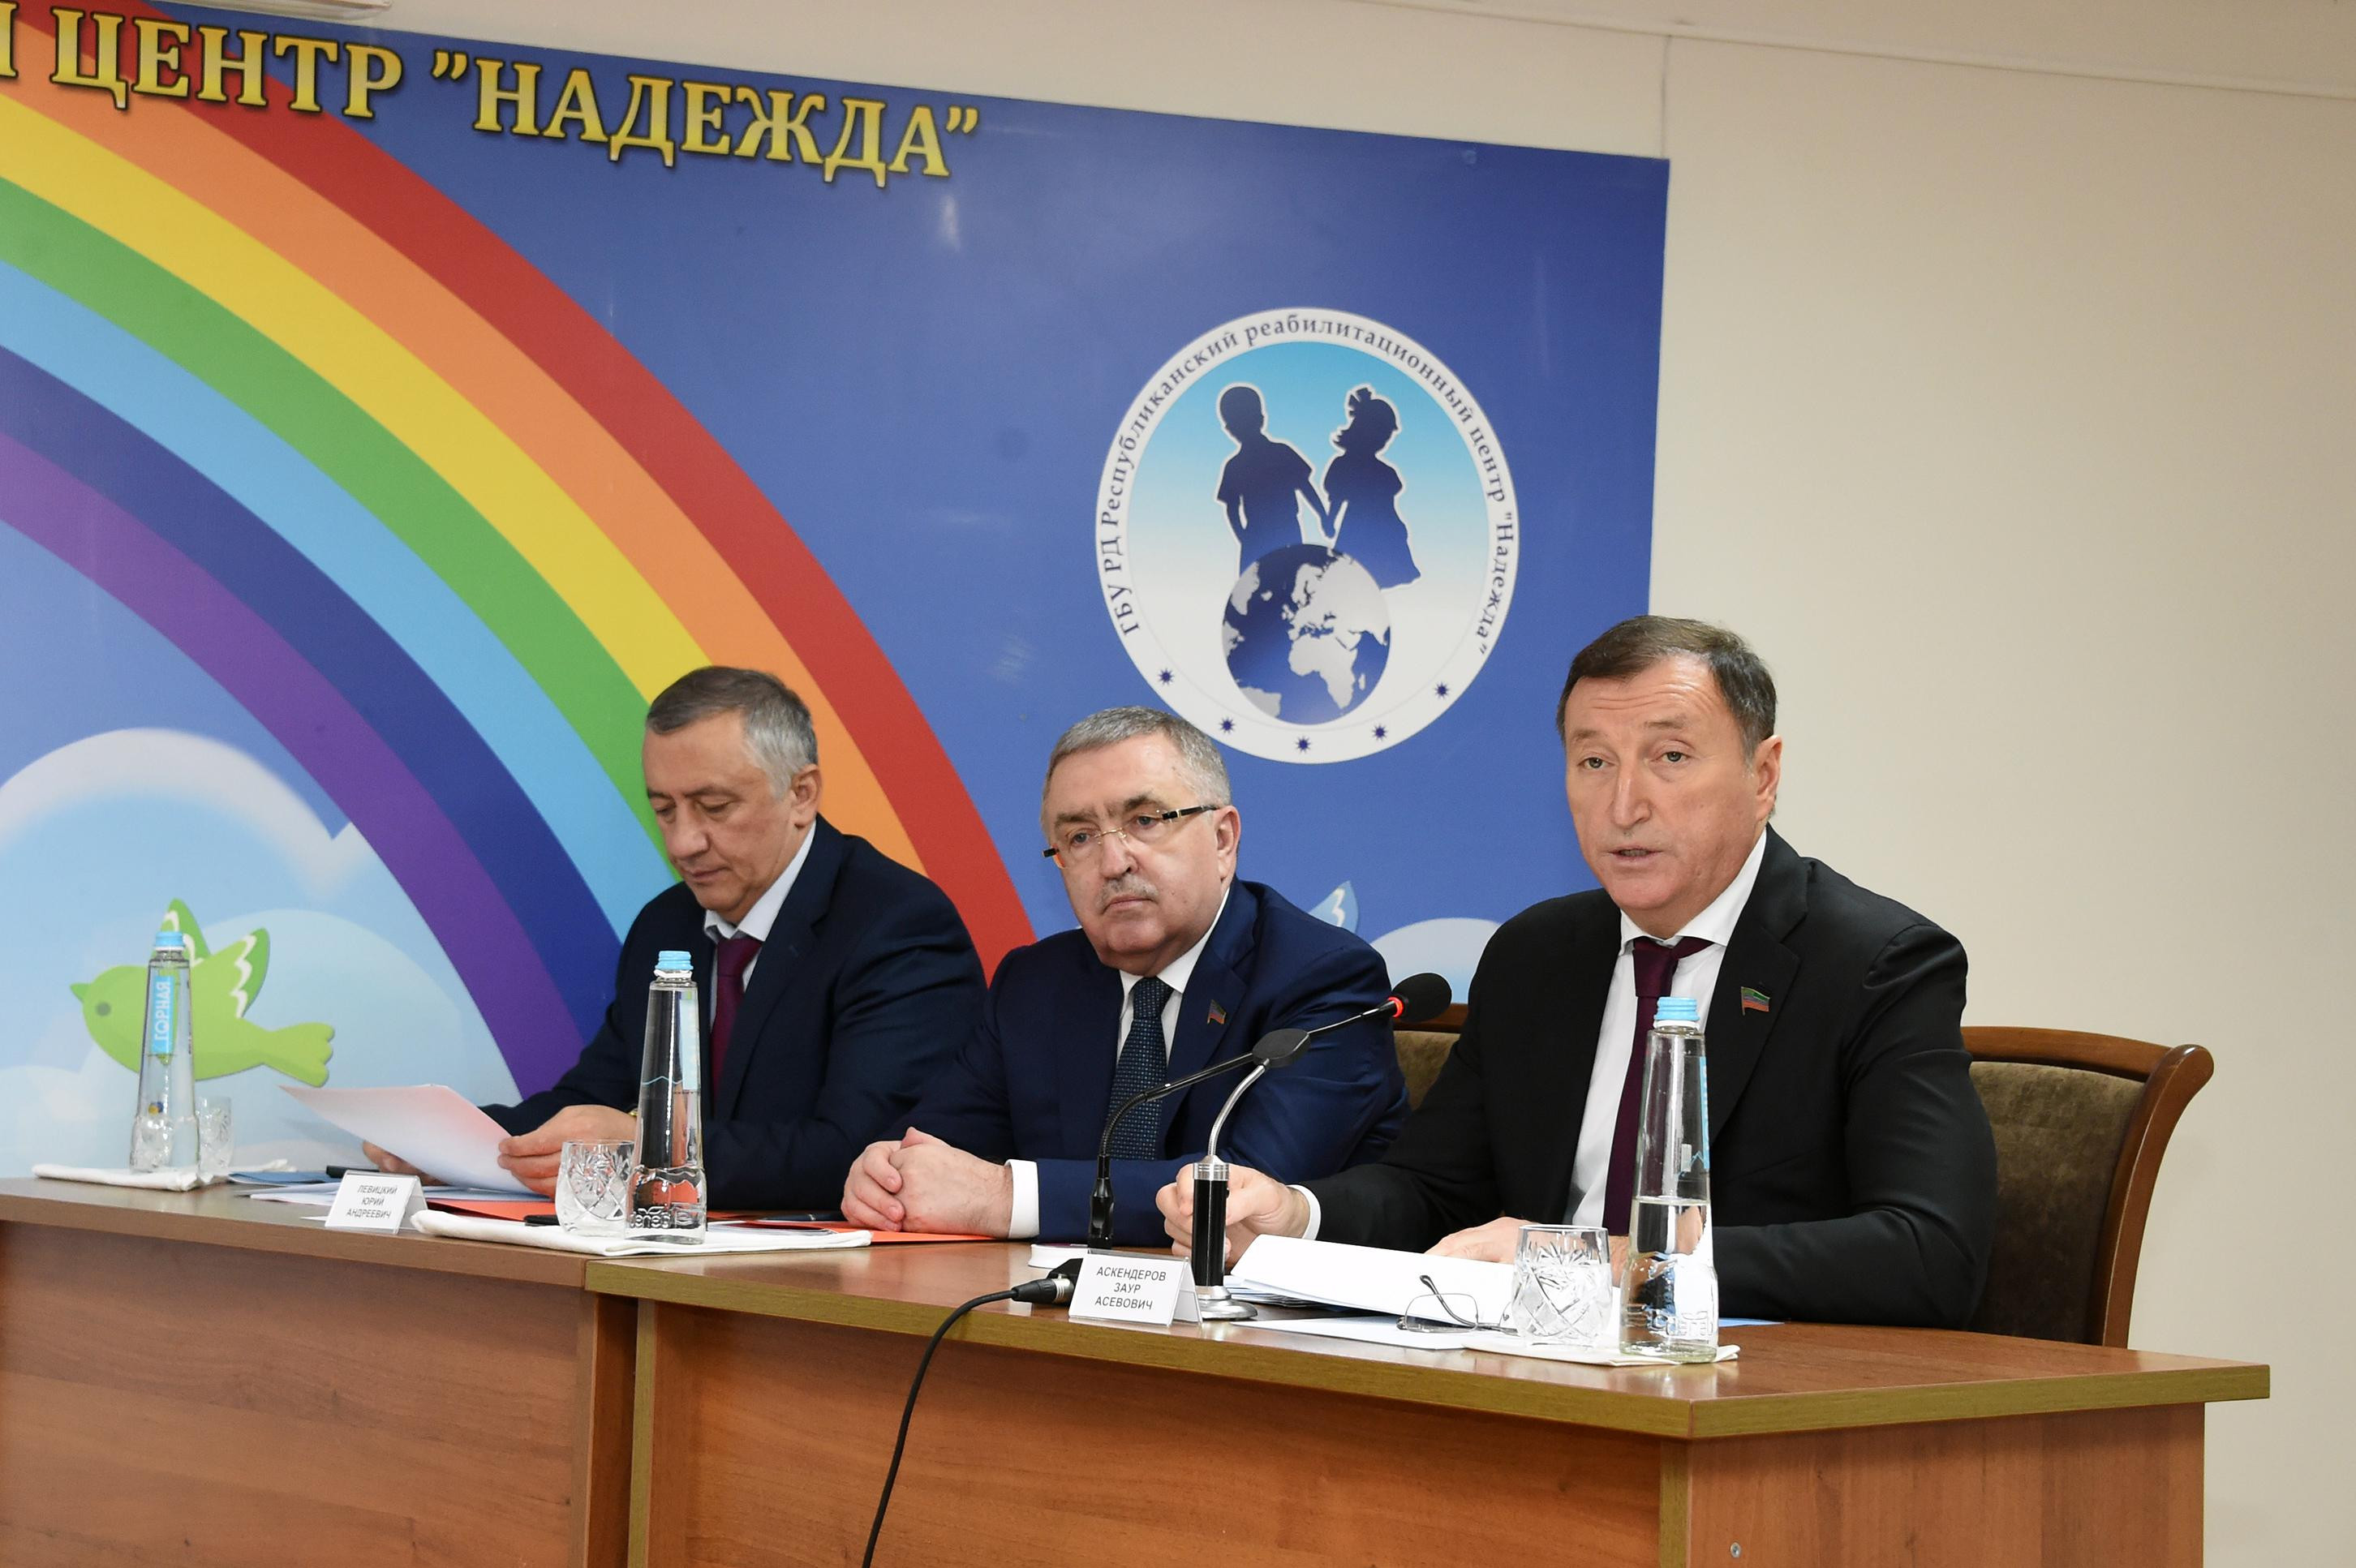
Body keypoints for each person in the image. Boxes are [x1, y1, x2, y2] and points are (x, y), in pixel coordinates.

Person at [1158, 617, 1998, 1327]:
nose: (1625, 804)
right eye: (1594, 762)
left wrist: (1605, 1260)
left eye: (1671, 757)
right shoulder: (1538, 955)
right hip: (1524, 1372)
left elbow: (1930, 1254)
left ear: (1763, 774)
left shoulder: (1873, 963)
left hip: (1744, 1399)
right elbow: (1434, 1190)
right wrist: (1295, 1215)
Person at [365, 668, 986, 1209]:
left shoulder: (897, 924)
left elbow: (861, 1150)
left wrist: (651, 1146)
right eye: (664, 809)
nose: (683, 842)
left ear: (801, 794)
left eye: (713, 806)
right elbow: (592, 1099)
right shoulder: (666, 924)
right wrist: (449, 1142)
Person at [842, 707, 1408, 1245]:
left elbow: (1247, 1192)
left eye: (1145, 821)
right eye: (1080, 837)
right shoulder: (1034, 983)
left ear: (1223, 840)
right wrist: (887, 1175)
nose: (1114, 863)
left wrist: (1005, 1196)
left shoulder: (1321, 976)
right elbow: (934, 1148)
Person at [1215, 384, 1329, 574]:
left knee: (1290, 579)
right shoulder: (1237, 465)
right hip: (1262, 534)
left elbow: (1305, 486)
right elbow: (1231, 507)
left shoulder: (1279, 453)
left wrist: (1323, 516)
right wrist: (1243, 537)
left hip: (1283, 531)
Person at [1323, 385, 1420, 589]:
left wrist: (1330, 522)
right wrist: (1330, 521)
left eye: (1387, 437)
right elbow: (1337, 498)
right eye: (1382, 435)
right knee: (1360, 578)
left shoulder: (1383, 471)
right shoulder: (1347, 466)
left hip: (1384, 531)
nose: (1384, 441)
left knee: (1374, 578)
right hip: (1359, 531)